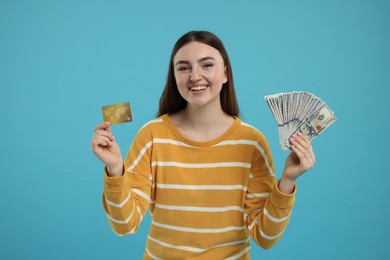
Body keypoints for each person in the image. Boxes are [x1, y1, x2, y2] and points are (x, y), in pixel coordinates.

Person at [91, 31, 316, 259]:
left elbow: (265, 238)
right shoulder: (151, 136)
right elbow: (124, 225)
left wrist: (287, 181)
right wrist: (115, 168)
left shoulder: (253, 143)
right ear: (174, 76)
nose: (194, 76)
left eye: (207, 65)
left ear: (226, 73)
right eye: (183, 67)